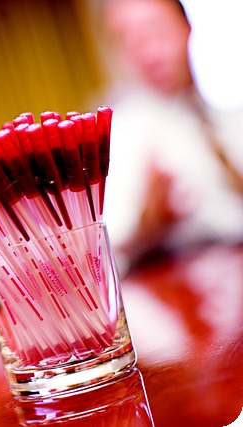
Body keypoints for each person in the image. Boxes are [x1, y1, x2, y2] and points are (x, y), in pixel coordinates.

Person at [93, 0, 243, 275]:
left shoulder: (228, 113)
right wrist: (145, 228)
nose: (147, 54)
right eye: (127, 41)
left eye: (156, 31)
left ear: (186, 27)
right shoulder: (117, 137)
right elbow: (101, 254)